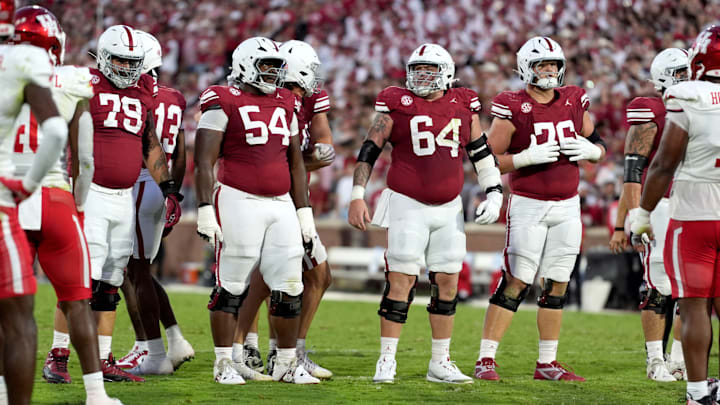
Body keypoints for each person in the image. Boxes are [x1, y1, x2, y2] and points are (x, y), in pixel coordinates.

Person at [348, 43, 503, 384]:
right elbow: (369, 148)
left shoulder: (463, 103)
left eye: (429, 70)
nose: (421, 76)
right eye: (416, 69)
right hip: (407, 203)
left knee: (447, 281)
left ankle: (439, 361)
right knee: (401, 278)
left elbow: (480, 150)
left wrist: (494, 191)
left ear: (446, 73)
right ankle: (386, 359)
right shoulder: (396, 102)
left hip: (449, 208)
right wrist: (357, 194)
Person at [8, 6, 123, 404]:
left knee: (10, 311)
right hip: (56, 195)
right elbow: (85, 158)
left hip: (8, 197)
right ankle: (96, 394)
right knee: (77, 301)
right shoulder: (74, 80)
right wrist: (78, 204)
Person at [474, 36, 605, 382]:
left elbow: (596, 141)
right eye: (541, 65)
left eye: (553, 65)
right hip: (529, 205)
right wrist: (523, 158)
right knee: (517, 279)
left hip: (568, 206)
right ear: (525, 68)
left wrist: (594, 152)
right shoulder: (512, 105)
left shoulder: (574, 99)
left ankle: (547, 363)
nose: (549, 71)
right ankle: (486, 359)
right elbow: (485, 160)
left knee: (558, 282)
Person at [195, 36, 320, 385]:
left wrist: (303, 212)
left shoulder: (285, 101)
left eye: (277, 67)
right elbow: (203, 161)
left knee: (290, 284)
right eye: (266, 65)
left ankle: (284, 363)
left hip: (280, 202)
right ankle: (223, 363)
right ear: (246, 64)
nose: (272, 73)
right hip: (238, 198)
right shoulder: (223, 99)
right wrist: (205, 208)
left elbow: (295, 164)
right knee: (231, 284)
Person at [232, 39, 334, 380]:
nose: (314, 81)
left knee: (311, 275)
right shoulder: (270, 99)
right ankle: (243, 348)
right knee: (262, 280)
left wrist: (305, 162)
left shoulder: (296, 100)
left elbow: (314, 151)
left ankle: (285, 350)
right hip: (266, 196)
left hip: (292, 196)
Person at [85, 24, 181, 382]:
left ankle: (102, 358)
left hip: (125, 196)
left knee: (111, 281)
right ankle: (60, 353)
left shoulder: (143, 94)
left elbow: (151, 144)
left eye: (132, 62)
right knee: (85, 280)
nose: (126, 69)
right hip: (91, 192)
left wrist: (170, 187)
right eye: (120, 61)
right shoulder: (85, 84)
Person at [630, 25, 720, 405]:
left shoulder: (687, 95)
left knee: (694, 303)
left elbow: (663, 165)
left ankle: (698, 393)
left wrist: (642, 212)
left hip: (694, 212)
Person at [0, 1, 71, 402]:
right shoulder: (29, 68)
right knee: (18, 319)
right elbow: (60, 136)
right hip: (16, 199)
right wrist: (28, 183)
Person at [113, 29, 194, 375]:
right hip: (159, 186)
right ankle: (169, 340)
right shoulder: (173, 96)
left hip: (143, 182)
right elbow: (181, 149)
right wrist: (173, 191)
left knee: (135, 272)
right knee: (137, 270)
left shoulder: (136, 95)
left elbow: (149, 145)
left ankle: (152, 350)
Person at [609, 47, 689, 382]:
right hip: (659, 205)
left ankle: (679, 358)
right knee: (658, 284)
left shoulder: (704, 107)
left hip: (695, 204)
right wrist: (631, 217)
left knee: (692, 288)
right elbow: (632, 171)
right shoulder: (650, 108)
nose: (689, 79)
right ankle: (655, 360)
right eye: (682, 73)